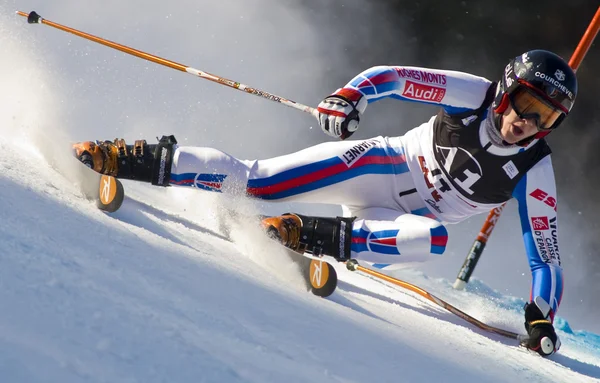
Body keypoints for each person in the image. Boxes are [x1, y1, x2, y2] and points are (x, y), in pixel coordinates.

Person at [73, 49, 576, 356]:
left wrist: (540, 319)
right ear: (509, 89)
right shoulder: (476, 95)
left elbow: (546, 255)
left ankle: (308, 234)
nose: (527, 123)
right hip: (379, 165)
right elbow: (394, 76)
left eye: (546, 119)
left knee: (433, 239)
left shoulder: (535, 167)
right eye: (528, 106)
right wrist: (350, 96)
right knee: (258, 183)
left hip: (395, 220)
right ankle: (137, 159)